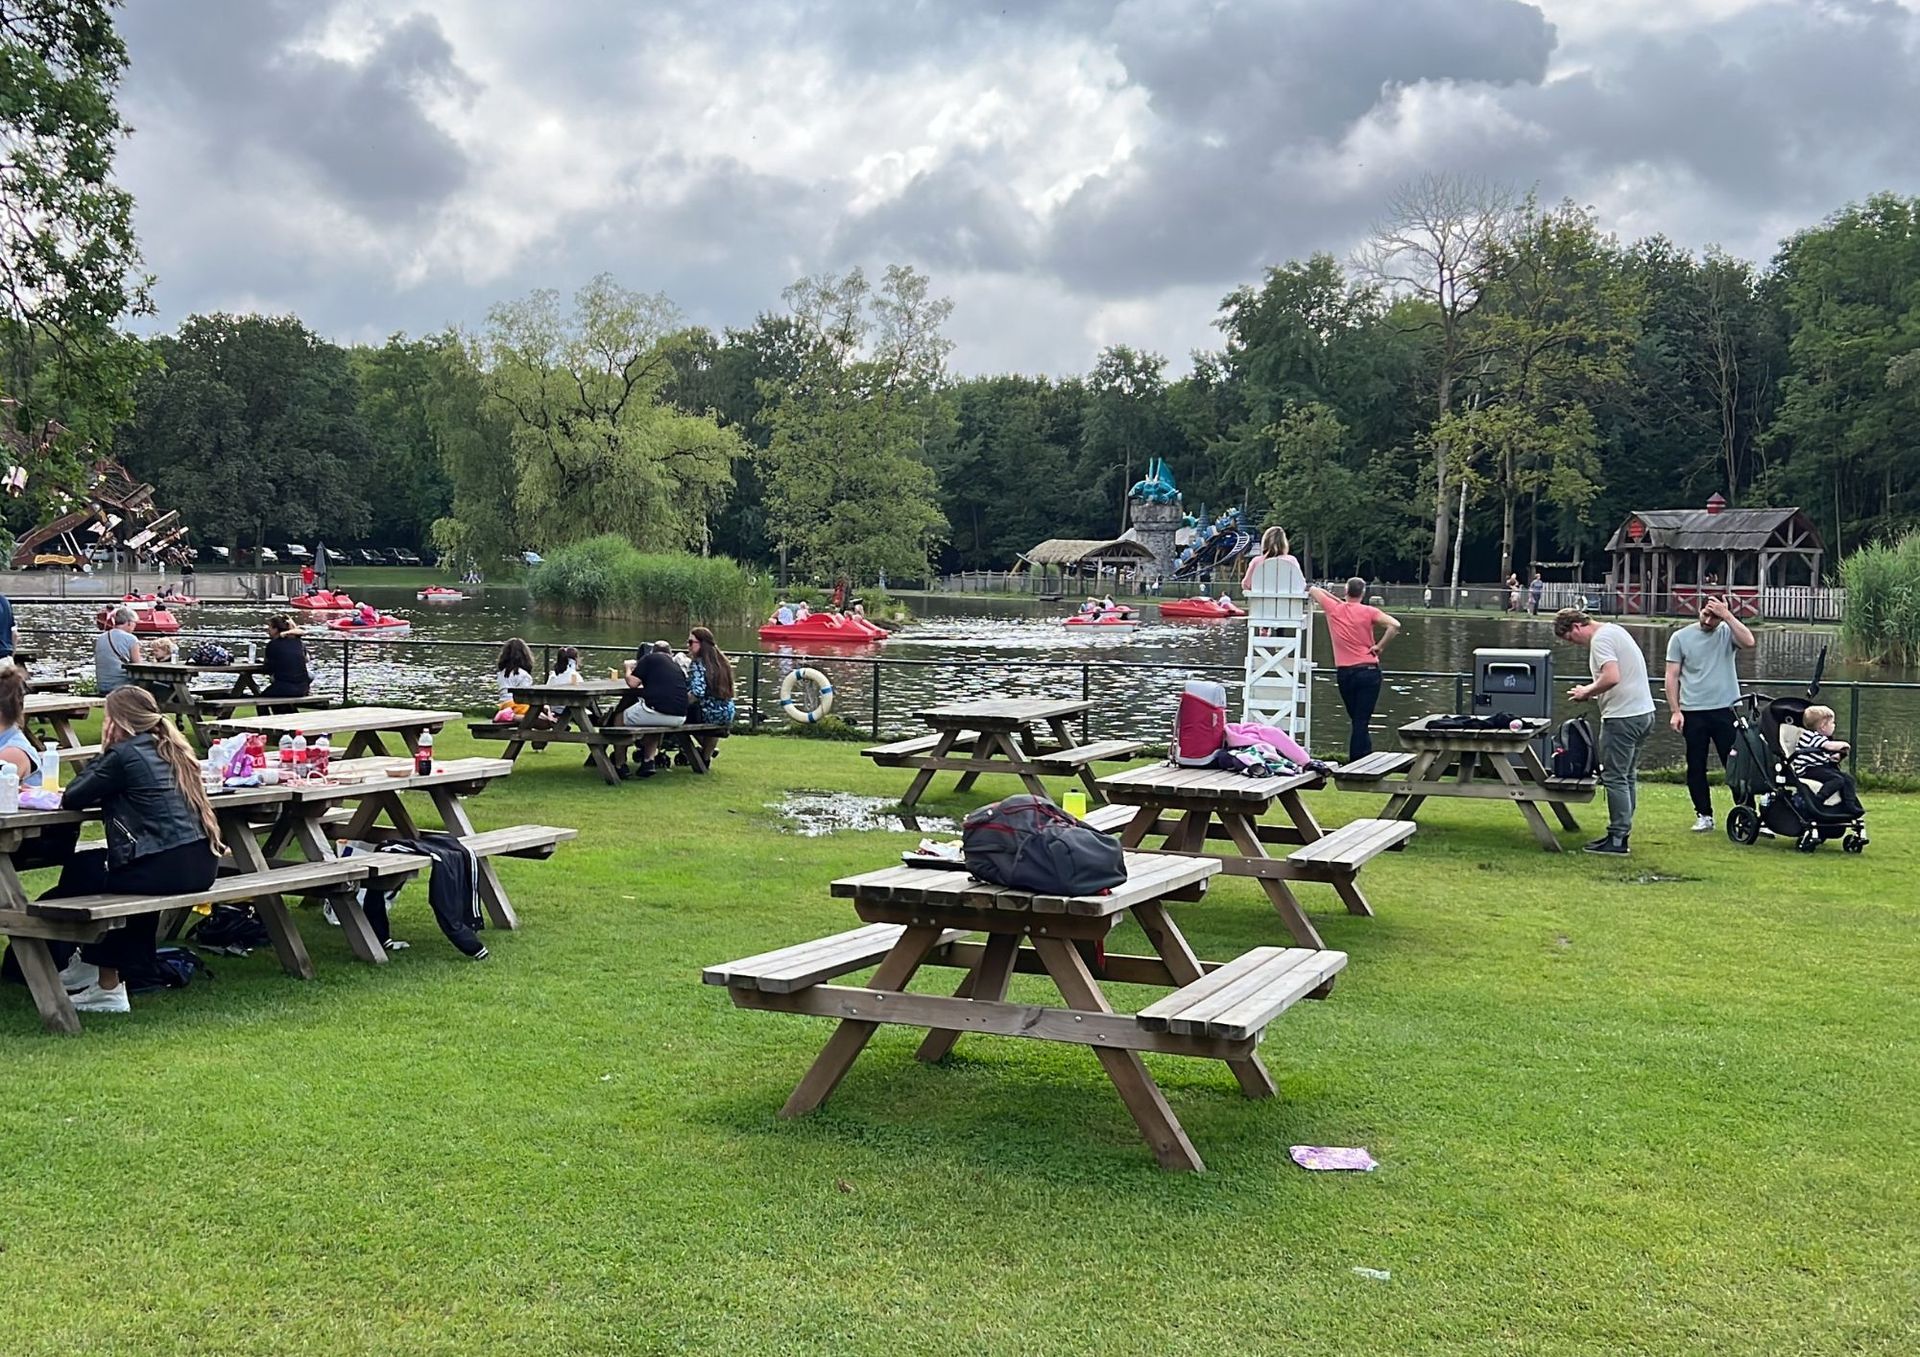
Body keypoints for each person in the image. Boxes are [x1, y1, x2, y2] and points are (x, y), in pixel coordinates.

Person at [43, 687, 224, 1014]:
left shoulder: (123, 755)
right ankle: (92, 964)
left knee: (92, 877)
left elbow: (73, 795)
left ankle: (107, 984)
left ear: (118, 721)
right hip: (202, 863)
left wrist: (106, 748)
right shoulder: (172, 748)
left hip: (166, 863)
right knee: (91, 867)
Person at [1556, 607, 1656, 855]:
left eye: (1570, 638)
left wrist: (1586, 691)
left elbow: (1612, 676)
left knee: (1614, 777)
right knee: (1627, 775)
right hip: (1644, 713)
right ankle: (1622, 831)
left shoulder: (1600, 640)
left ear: (1576, 626)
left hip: (1622, 717)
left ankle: (1618, 838)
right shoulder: (1615, 630)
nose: (1574, 644)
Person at [1664, 596, 1756, 832]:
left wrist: (1727, 616)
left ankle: (1747, 813)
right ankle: (1704, 814)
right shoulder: (1680, 637)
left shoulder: (1728, 632)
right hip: (1693, 710)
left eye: (1714, 617)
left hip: (1726, 709)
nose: (1707, 621)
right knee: (1696, 765)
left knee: (1735, 764)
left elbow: (1749, 641)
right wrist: (1675, 711)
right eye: (1705, 614)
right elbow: (1672, 676)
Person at [1307, 577, 1401, 763]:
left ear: (1346, 591)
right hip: (1369, 670)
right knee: (1361, 721)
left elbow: (1313, 590)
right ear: (1363, 593)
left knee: (1358, 720)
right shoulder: (1369, 611)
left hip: (1345, 673)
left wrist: (1337, 600)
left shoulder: (1334, 609)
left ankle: (1362, 759)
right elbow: (1395, 625)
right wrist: (1380, 646)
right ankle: (1359, 761)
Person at [619, 638, 690, 778]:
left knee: (618, 718)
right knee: (654, 722)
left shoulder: (649, 659)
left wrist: (627, 668)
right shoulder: (676, 666)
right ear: (670, 653)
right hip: (679, 717)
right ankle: (648, 761)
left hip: (657, 710)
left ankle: (620, 764)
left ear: (652, 652)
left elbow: (633, 683)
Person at [685, 627, 736, 767]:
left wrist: (681, 704)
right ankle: (705, 757)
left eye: (691, 642)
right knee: (710, 722)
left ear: (702, 643)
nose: (688, 646)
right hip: (727, 712)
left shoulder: (698, 663)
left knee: (680, 716)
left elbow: (697, 692)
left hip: (708, 713)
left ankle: (702, 755)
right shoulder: (723, 662)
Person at [259, 615, 312, 714]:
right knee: (279, 702)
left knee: (261, 700)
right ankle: (290, 718)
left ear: (276, 629)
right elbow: (306, 659)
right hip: (303, 688)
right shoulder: (299, 642)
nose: (267, 630)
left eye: (269, 627)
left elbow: (268, 669)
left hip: (285, 688)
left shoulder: (273, 644)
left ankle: (264, 722)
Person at [94, 606, 141, 693]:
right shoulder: (131, 639)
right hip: (122, 686)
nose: (135, 626)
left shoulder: (101, 638)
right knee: (159, 688)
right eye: (135, 623)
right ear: (129, 622)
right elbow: (138, 666)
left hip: (102, 686)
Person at [1240, 527, 1298, 591]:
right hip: (1287, 597)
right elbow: (1301, 584)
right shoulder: (1292, 561)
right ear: (1284, 543)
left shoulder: (1256, 561)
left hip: (1260, 597)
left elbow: (1246, 584)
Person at [495, 637, 535, 716]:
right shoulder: (524, 675)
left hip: (503, 705)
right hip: (516, 706)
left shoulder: (501, 674)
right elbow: (525, 697)